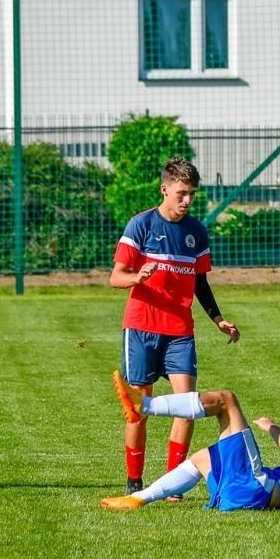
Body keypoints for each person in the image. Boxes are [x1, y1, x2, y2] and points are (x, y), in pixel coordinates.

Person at [110, 157, 239, 496]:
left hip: (180, 331)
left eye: (192, 194)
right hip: (141, 329)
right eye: (181, 193)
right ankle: (134, 481)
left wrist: (218, 318)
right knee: (138, 411)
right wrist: (136, 277)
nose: (187, 201)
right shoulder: (141, 225)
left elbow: (200, 282)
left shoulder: (196, 231)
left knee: (187, 407)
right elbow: (116, 276)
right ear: (164, 189)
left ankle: (172, 484)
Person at [97, 388, 280, 512]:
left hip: (254, 488)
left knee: (226, 400)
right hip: (243, 498)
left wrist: (271, 426)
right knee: (203, 458)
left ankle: (144, 405)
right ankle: (136, 499)